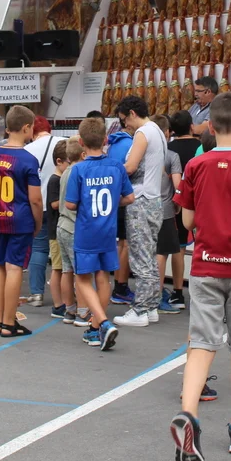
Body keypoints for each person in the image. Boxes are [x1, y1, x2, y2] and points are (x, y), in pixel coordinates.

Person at [171, 92, 231, 459]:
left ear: (209, 126)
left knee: (201, 343)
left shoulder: (196, 166)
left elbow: (188, 220)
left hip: (205, 264)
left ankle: (189, 414)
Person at [65, 117, 134, 350]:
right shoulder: (116, 167)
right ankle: (95, 328)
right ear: (105, 140)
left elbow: (70, 204)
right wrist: (113, 203)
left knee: (82, 278)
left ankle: (103, 322)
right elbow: (130, 197)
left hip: (87, 231)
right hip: (108, 231)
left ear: (81, 143)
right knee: (103, 278)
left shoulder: (79, 169)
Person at [0, 105, 42, 337]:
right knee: (14, 266)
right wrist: (37, 222)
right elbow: (35, 199)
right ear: (26, 128)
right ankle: (9, 321)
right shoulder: (28, 160)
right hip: (20, 218)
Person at [113, 95, 166, 328]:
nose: (125, 125)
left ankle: (140, 310)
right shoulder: (158, 131)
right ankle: (151, 306)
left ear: (132, 114)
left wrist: (110, 171)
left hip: (141, 200)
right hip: (154, 200)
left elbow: (130, 167)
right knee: (149, 256)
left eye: (125, 120)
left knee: (140, 258)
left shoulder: (143, 133)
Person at [165, 111, 199, 310]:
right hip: (199, 201)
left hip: (175, 203)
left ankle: (177, 293)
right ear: (192, 127)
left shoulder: (168, 149)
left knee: (176, 248)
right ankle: (202, 292)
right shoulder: (201, 147)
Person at [23, 115, 58, 307]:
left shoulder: (27, 150)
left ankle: (36, 294)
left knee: (39, 249)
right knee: (65, 252)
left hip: (38, 206)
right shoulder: (63, 143)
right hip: (61, 206)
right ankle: (68, 294)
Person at [150, 115, 183, 315]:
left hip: (143, 207)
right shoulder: (172, 156)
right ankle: (157, 297)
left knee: (146, 253)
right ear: (167, 132)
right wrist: (178, 203)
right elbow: (178, 185)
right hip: (165, 209)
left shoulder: (142, 153)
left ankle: (145, 295)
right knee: (161, 254)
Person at [106, 122, 135, 306]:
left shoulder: (113, 143)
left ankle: (118, 284)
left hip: (113, 196)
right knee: (126, 244)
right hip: (125, 195)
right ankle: (121, 287)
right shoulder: (131, 144)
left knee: (120, 243)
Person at [57, 138, 86, 326]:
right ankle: (83, 311)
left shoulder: (65, 172)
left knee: (66, 270)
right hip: (74, 226)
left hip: (62, 224)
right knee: (81, 272)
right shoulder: (79, 173)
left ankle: (69, 309)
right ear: (82, 155)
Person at [45, 139, 68, 318]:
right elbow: (53, 203)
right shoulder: (55, 180)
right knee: (57, 268)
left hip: (59, 229)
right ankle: (58, 304)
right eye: (68, 162)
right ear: (59, 161)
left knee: (62, 268)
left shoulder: (61, 178)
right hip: (55, 230)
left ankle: (64, 300)